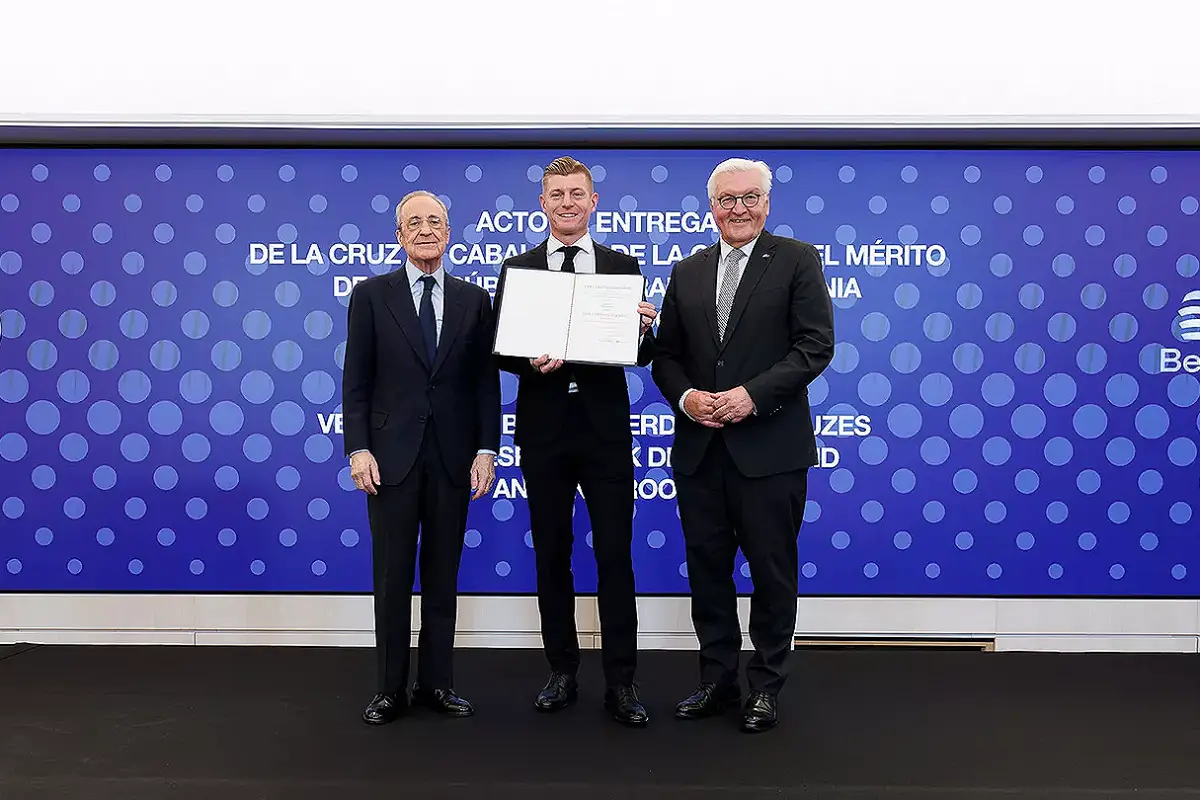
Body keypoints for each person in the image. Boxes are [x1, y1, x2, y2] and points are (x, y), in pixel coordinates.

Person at [651, 158, 835, 733]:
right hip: (701, 452)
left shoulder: (798, 260)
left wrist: (750, 397)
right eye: (726, 199)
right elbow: (666, 355)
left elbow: (814, 347)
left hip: (770, 452)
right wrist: (685, 398)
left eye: (749, 197)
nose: (738, 208)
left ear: (767, 203)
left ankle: (767, 687)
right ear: (711, 207)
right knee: (708, 573)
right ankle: (717, 681)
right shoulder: (686, 271)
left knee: (772, 574)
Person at [495, 156, 658, 726]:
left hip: (606, 434)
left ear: (594, 203)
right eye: (556, 194)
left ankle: (623, 682)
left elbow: (636, 356)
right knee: (552, 556)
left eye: (577, 194)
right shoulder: (518, 268)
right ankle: (561, 670)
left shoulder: (621, 265)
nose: (567, 202)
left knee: (615, 557)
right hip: (543, 434)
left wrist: (643, 329)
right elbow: (501, 348)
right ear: (543, 204)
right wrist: (526, 360)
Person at [342, 189, 501, 725]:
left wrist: (486, 448)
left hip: (455, 458)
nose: (426, 230)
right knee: (390, 577)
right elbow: (356, 382)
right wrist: (357, 447)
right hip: (389, 459)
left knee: (442, 576)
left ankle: (438, 684)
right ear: (398, 234)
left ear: (449, 232)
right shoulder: (369, 295)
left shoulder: (473, 300)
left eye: (436, 221)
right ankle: (390, 688)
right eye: (415, 222)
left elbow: (485, 384)